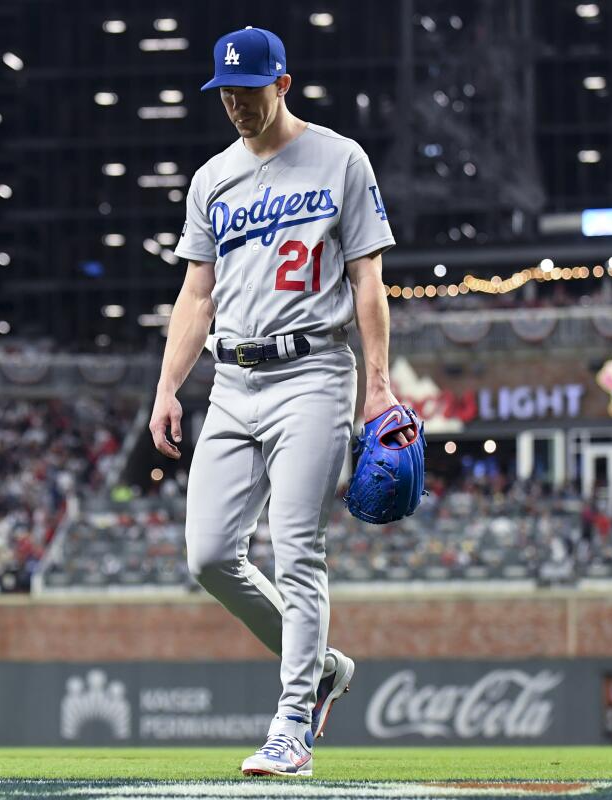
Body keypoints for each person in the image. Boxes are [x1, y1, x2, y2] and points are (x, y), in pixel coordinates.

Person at [150, 25, 408, 777]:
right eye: (225, 91)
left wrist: (378, 383)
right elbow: (196, 294)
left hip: (312, 374)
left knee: (297, 548)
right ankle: (322, 666)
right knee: (208, 556)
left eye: (249, 89)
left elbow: (369, 281)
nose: (235, 103)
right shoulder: (211, 179)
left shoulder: (340, 159)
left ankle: (291, 724)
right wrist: (168, 387)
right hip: (231, 382)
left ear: (283, 83)